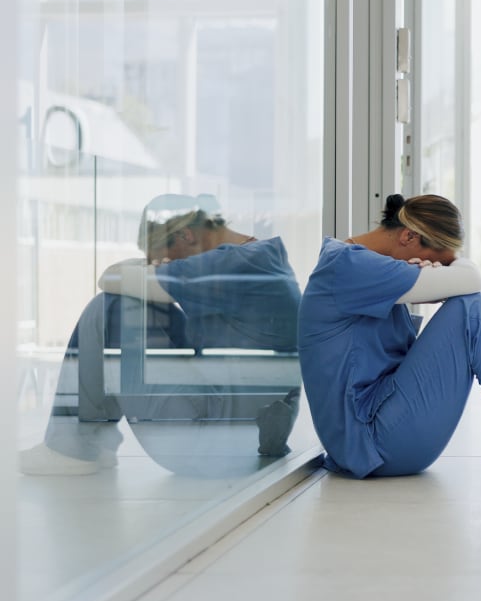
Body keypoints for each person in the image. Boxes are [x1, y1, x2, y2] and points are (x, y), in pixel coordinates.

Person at [298, 193, 481, 478]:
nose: (439, 267)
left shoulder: (362, 265)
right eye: (438, 259)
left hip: (375, 434)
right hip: (372, 442)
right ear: (408, 237)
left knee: (473, 304)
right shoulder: (351, 266)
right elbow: (473, 279)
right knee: (473, 309)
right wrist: (451, 269)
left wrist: (432, 269)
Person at [19, 194, 303, 476]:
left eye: (163, 259)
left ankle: (71, 450)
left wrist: (148, 270)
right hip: (257, 438)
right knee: (151, 308)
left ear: (185, 235)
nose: (165, 266)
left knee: (112, 307)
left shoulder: (229, 265)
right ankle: (92, 443)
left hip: (214, 444)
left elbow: (110, 278)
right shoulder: (262, 255)